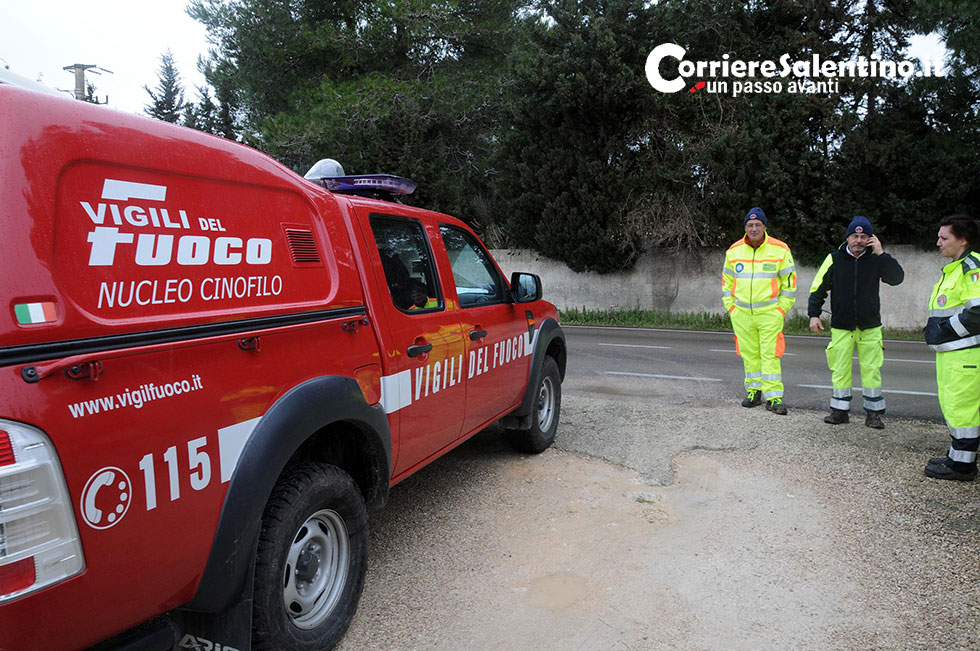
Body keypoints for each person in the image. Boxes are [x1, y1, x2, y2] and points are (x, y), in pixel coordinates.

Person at [808, 216, 904, 428]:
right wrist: (814, 314)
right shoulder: (834, 259)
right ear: (847, 238)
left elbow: (897, 278)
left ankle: (874, 414)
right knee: (840, 370)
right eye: (855, 236)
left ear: (870, 239)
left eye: (863, 237)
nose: (859, 241)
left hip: (870, 326)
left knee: (871, 370)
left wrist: (881, 253)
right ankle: (840, 412)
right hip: (842, 326)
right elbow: (818, 288)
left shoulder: (877, 259)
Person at [722, 207, 797, 415]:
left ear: (765, 227)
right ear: (745, 227)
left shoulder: (780, 250)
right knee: (749, 354)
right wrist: (731, 307)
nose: (753, 228)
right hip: (742, 315)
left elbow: (789, 283)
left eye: (757, 225)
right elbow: (726, 281)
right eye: (750, 225)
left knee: (770, 355)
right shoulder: (734, 251)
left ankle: (773, 398)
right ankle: (754, 391)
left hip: (770, 314)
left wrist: (781, 309)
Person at [923, 213, 980, 481]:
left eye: (944, 238)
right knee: (954, 407)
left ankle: (963, 467)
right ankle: (957, 457)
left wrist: (943, 330)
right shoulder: (955, 268)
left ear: (963, 240)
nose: (938, 243)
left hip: (966, 355)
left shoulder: (972, 267)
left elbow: (977, 312)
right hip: (953, 355)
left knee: (963, 410)